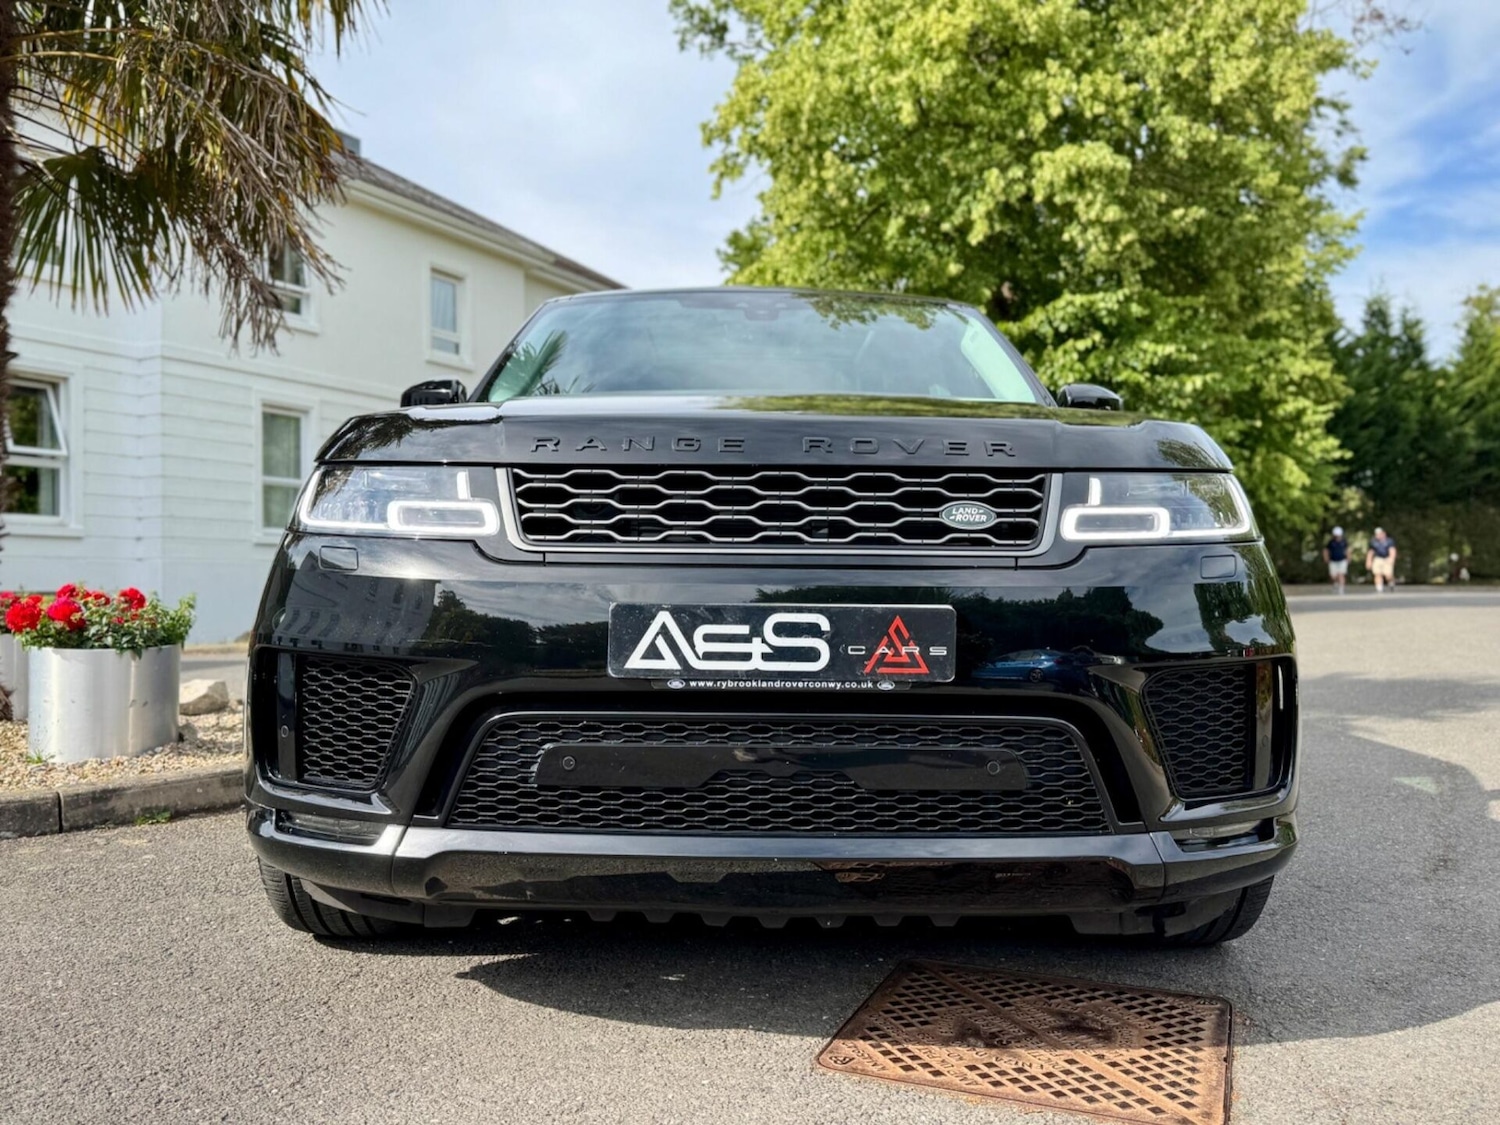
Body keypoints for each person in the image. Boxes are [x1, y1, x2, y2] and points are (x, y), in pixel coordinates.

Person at [1366, 527, 1398, 593]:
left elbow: (1392, 550)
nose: (1378, 535)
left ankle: (1391, 583)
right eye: (1377, 534)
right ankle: (1379, 588)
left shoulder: (1389, 541)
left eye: (1380, 534)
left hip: (1387, 558)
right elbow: (1371, 552)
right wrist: (1368, 561)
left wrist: (1392, 558)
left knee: (1388, 575)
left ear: (1384, 534)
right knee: (1377, 573)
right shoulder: (1373, 541)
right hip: (1378, 558)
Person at [1323, 526, 1350, 594]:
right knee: (1333, 576)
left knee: (1341, 574)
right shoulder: (1331, 542)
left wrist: (1348, 558)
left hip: (1342, 560)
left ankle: (1341, 588)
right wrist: (1326, 558)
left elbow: (1347, 550)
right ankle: (1335, 583)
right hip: (1333, 560)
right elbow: (1326, 550)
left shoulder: (1344, 542)